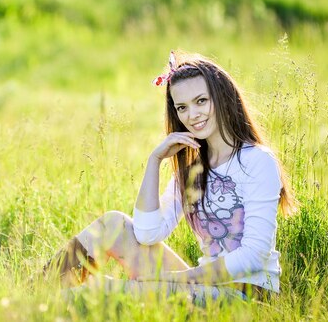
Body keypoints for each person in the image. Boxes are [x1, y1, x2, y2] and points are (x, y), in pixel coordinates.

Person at [43, 51, 297, 303]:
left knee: (99, 292)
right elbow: (147, 234)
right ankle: (30, 295)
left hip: (246, 297)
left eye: (201, 101)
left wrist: (181, 278)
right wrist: (154, 161)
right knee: (113, 225)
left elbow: (255, 254)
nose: (193, 115)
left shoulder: (257, 161)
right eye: (182, 108)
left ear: (222, 97)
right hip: (203, 285)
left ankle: (54, 304)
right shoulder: (193, 169)